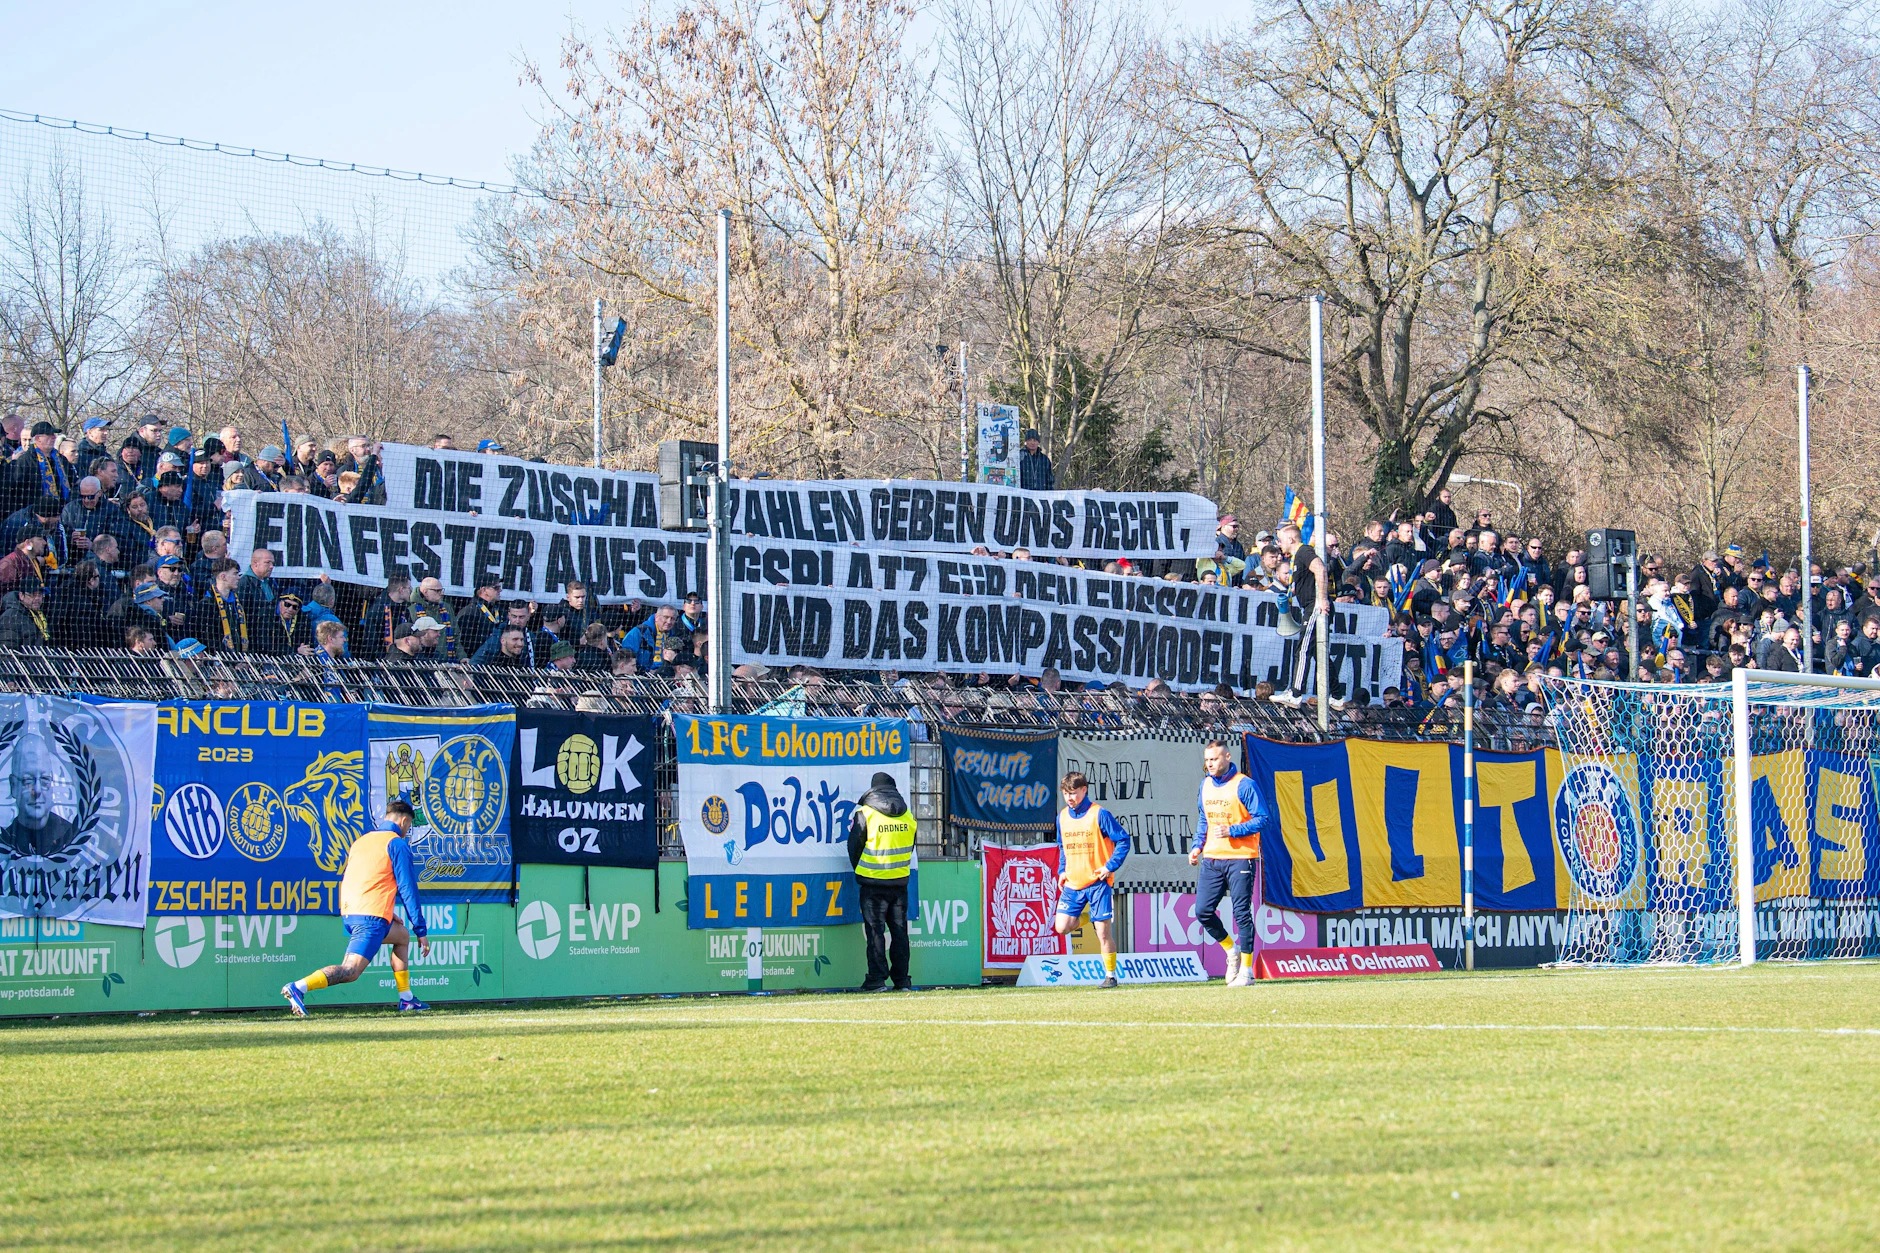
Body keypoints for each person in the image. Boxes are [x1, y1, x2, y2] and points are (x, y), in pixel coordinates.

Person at [282, 799, 431, 1016]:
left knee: (401, 936)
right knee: (350, 971)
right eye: (409, 827)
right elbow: (408, 889)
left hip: (353, 912)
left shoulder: (362, 842)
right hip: (370, 917)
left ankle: (406, 999)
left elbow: (363, 879)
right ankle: (298, 987)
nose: (408, 831)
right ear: (404, 821)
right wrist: (421, 930)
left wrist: (387, 913)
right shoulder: (396, 844)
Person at [1189, 739, 1270, 986]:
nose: (1210, 764)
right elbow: (1204, 819)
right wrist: (1196, 846)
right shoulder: (1205, 785)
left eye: (1214, 759)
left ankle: (1247, 971)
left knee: (1241, 913)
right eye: (1207, 760)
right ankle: (1231, 951)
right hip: (1212, 858)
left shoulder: (1244, 785)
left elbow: (1263, 818)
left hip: (1241, 858)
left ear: (1227, 757)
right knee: (1202, 911)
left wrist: (1233, 830)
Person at [1051, 770, 1131, 988]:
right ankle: (1088, 919)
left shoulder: (1099, 814)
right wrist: (1062, 871)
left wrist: (1110, 866)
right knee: (1061, 927)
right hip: (1073, 883)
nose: (1070, 798)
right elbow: (1062, 847)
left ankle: (1111, 976)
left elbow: (1123, 840)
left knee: (1103, 933)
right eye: (1066, 794)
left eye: (1074, 793)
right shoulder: (1062, 817)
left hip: (1097, 882)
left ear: (1084, 790)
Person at [846, 770, 917, 992]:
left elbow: (854, 846)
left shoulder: (865, 813)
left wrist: (862, 869)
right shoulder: (908, 816)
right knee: (899, 934)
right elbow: (911, 846)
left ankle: (876, 980)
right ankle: (902, 981)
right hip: (899, 883)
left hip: (872, 883)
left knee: (875, 933)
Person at [1271, 523, 1337, 708]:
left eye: (1281, 540)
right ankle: (1337, 695)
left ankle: (1295, 693)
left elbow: (1320, 569)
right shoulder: (1295, 558)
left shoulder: (1303, 551)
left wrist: (1321, 599)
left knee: (1303, 649)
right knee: (1319, 652)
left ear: (1291, 539)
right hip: (1308, 606)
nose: (1279, 544)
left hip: (1314, 607)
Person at [0, 729, 75, 857]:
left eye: (45, 780)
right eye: (28, 781)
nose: (38, 790)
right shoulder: (3, 846)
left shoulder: (72, 838)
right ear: (13, 785)